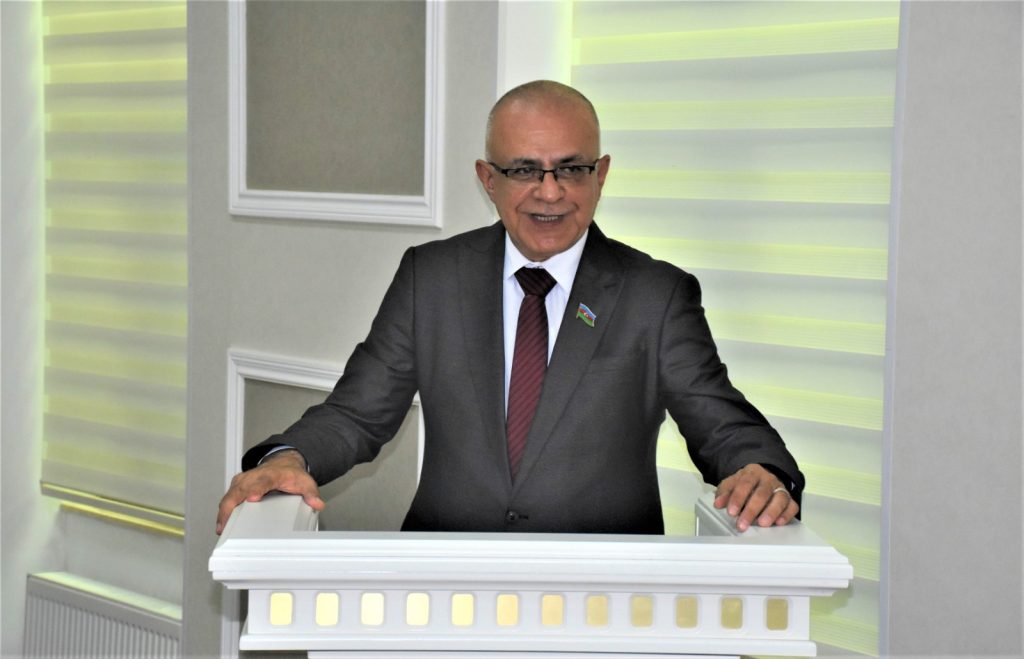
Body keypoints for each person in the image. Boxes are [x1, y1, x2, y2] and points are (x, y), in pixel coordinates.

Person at [217, 80, 803, 536]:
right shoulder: (431, 277)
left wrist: (762, 472)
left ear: (601, 175)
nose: (550, 191)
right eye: (524, 170)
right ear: (488, 179)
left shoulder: (656, 294)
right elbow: (357, 414)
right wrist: (290, 457)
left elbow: (721, 423)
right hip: (444, 587)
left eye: (572, 168)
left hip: (603, 598)